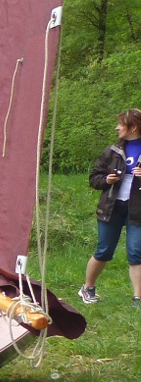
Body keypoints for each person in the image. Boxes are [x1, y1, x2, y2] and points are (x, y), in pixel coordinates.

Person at [79, 108, 141, 306]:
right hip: (111, 209)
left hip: (137, 210)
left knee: (136, 252)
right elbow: (93, 178)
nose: (117, 128)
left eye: (121, 125)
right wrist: (106, 179)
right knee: (104, 250)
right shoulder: (112, 151)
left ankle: (138, 298)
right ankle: (87, 288)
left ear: (134, 127)